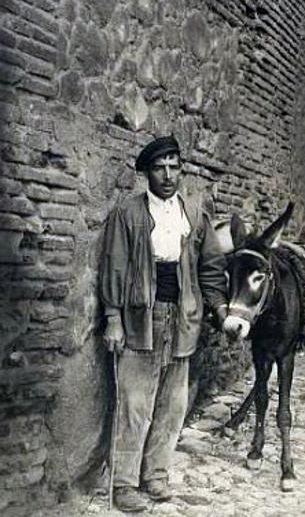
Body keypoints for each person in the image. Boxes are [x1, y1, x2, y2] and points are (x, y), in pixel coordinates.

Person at [100, 136, 228, 512]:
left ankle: (155, 475)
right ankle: (123, 483)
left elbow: (211, 267)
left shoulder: (192, 212)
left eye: (174, 166)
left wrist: (217, 308)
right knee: (135, 403)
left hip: (182, 318)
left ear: (182, 170)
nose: (168, 175)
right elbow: (115, 267)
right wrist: (113, 319)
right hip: (142, 316)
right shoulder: (129, 213)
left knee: (173, 405)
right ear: (147, 174)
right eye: (159, 168)